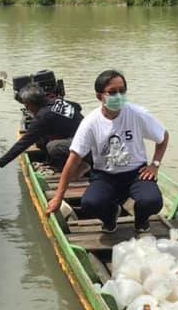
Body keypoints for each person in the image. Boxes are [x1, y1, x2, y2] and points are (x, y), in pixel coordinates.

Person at [46, 70, 168, 233]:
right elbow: (73, 160)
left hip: (136, 174)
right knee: (90, 204)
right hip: (105, 176)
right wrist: (58, 197)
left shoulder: (138, 114)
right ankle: (111, 216)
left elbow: (163, 136)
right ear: (99, 96)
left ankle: (141, 220)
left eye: (122, 91)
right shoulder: (91, 122)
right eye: (112, 92)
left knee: (152, 201)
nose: (118, 96)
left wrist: (155, 165)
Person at [0, 84, 83, 171]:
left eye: (27, 105)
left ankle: (74, 166)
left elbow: (24, 142)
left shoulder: (43, 116)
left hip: (84, 143)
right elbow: (78, 107)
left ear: (31, 104)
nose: (27, 108)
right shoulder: (56, 101)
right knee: (41, 139)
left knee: (52, 146)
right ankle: (54, 161)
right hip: (76, 135)